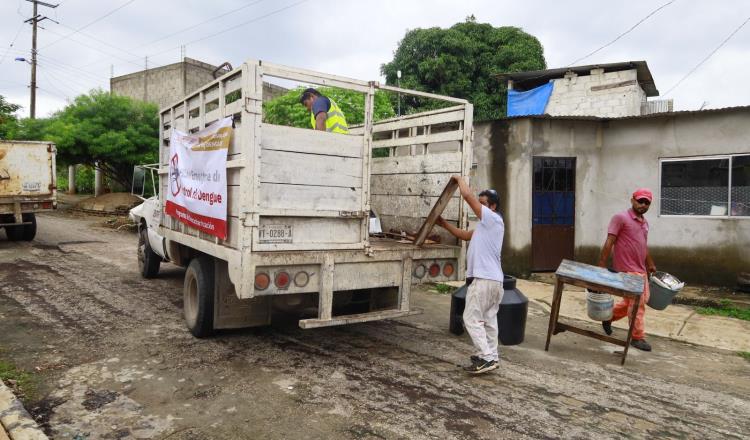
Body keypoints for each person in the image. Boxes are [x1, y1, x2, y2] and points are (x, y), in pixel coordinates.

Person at [436, 176, 505, 374]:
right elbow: (464, 235)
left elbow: (467, 195)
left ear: (492, 207)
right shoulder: (485, 225)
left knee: (470, 318)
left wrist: (459, 179)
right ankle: (492, 356)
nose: (478, 207)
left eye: (483, 204)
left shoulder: (492, 219)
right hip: (494, 281)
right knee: (489, 321)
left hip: (484, 280)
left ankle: (486, 356)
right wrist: (444, 225)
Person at [598, 188, 657, 352]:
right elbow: (609, 241)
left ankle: (609, 317)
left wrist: (650, 263)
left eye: (647, 203)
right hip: (626, 269)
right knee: (637, 305)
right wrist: (601, 267)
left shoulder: (644, 223)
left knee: (636, 301)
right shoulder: (620, 218)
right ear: (632, 200)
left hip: (641, 269)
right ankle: (637, 337)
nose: (643, 205)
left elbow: (643, 246)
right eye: (640, 201)